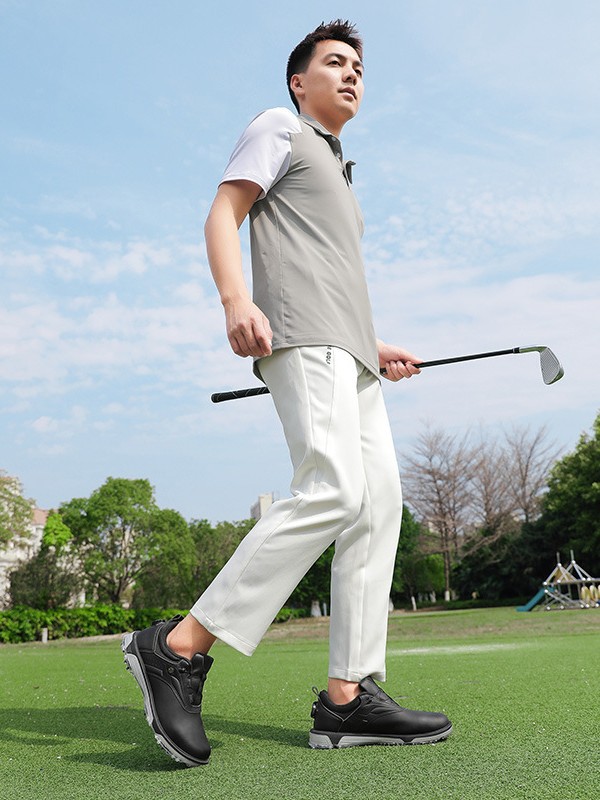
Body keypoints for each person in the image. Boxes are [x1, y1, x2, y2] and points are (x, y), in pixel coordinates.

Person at [122, 19, 452, 767]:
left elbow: (329, 273)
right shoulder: (280, 126)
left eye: (359, 66)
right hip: (303, 341)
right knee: (332, 490)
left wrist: (374, 345)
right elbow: (223, 212)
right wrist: (235, 300)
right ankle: (177, 647)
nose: (352, 73)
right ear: (300, 82)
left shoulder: (340, 170)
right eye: (335, 62)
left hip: (351, 353)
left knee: (378, 507)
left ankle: (348, 697)